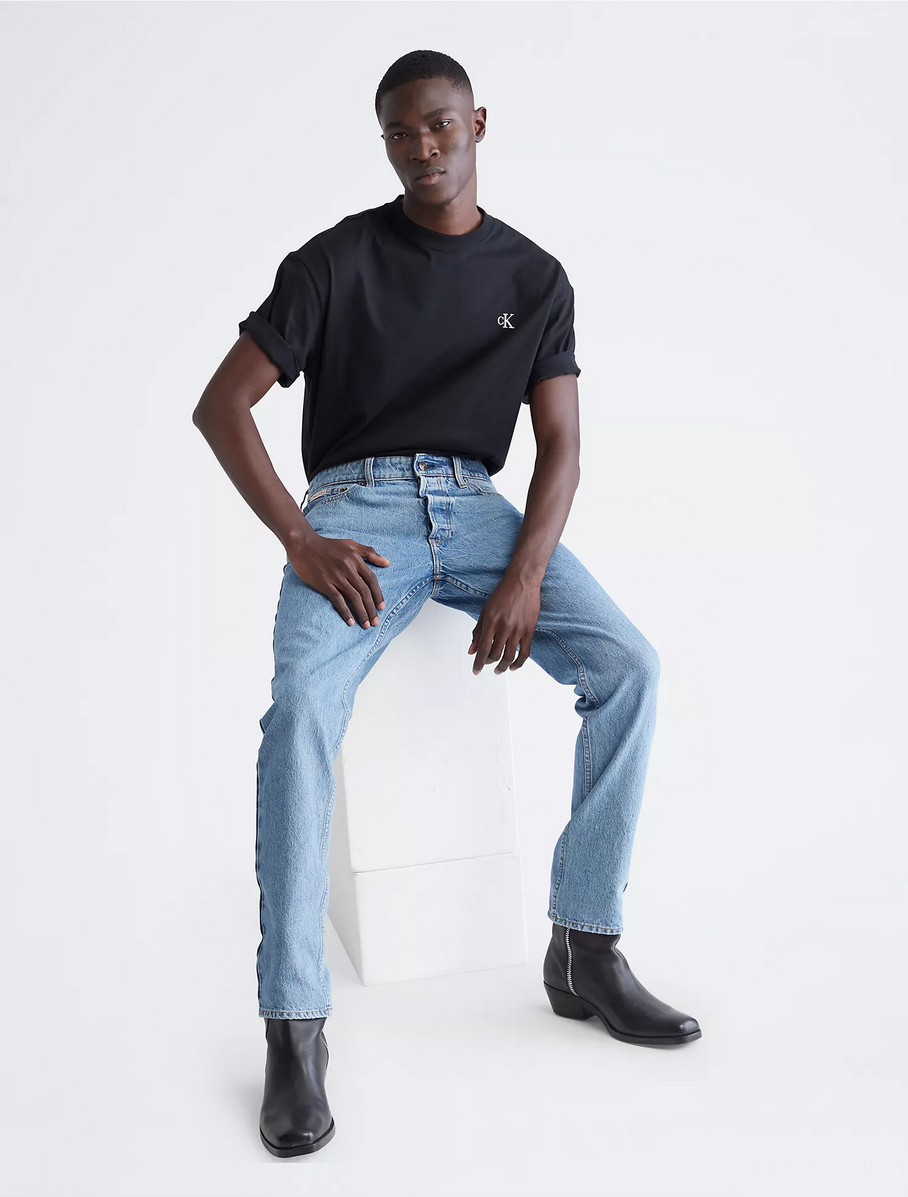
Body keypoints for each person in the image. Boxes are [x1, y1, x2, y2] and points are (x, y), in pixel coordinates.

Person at [192, 49, 701, 1159]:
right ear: (384, 142)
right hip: (355, 510)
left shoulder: (536, 276)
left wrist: (522, 571)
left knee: (630, 666)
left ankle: (585, 946)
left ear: (476, 123)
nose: (421, 147)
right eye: (399, 132)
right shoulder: (334, 261)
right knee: (299, 715)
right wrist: (300, 537)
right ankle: (293, 1025)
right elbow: (221, 404)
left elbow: (561, 444)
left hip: (477, 509)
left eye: (438, 125)